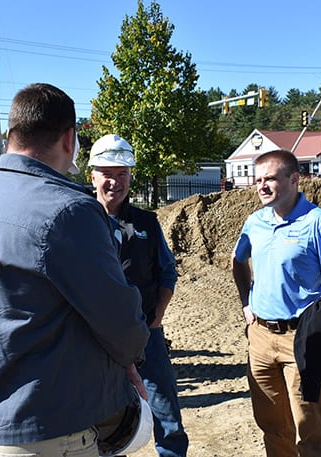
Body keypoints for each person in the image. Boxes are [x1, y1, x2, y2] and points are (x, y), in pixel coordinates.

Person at [0, 83, 151, 457]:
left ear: (12, 135)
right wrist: (130, 357)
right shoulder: (68, 210)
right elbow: (118, 318)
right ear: (69, 138)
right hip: (50, 427)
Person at [231, 150, 321, 457]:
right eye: (258, 180)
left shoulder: (320, 223)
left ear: (294, 179)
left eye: (270, 178)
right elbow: (237, 261)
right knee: (272, 423)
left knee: (309, 423)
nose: (262, 186)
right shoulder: (254, 222)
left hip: (301, 338)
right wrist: (246, 302)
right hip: (259, 336)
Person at [88, 134, 189, 457]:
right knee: (98, 420)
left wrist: (157, 317)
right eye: (108, 174)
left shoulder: (146, 222)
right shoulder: (78, 221)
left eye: (123, 174)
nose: (115, 182)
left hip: (146, 335)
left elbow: (167, 272)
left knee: (167, 416)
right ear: (92, 175)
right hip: (94, 340)